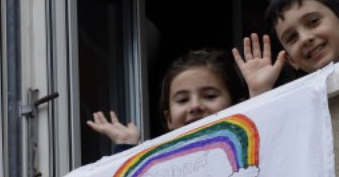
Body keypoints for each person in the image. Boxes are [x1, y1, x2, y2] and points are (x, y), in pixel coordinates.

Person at [87, 48, 245, 151]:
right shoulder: (161, 172)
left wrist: (260, 92)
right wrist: (127, 146)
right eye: (183, 100)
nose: (195, 106)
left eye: (210, 96)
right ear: (169, 119)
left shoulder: (248, 148)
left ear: (236, 104)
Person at [233, 0, 339, 98]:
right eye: (292, 37)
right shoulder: (297, 104)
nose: (304, 39)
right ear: (291, 60)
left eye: (313, 21)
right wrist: (260, 93)